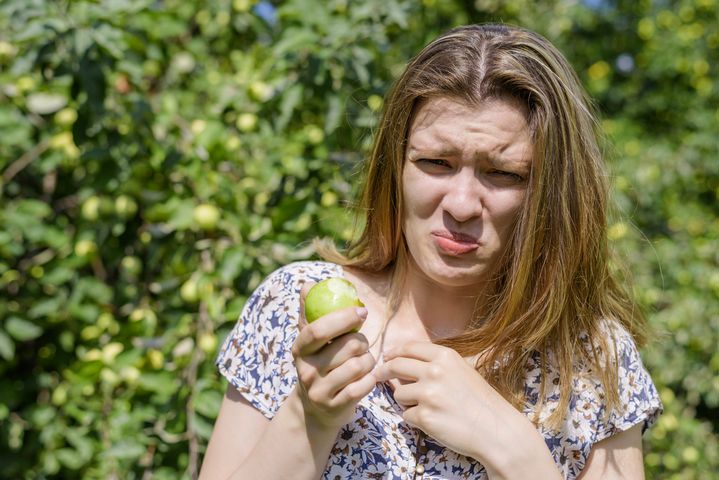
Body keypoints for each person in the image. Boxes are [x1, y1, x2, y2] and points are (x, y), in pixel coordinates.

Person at [199, 23, 662, 480]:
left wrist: (512, 448)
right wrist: (310, 418)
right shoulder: (296, 309)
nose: (461, 205)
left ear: (551, 194)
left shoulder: (593, 360)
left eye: (502, 173)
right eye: (435, 163)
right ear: (395, 165)